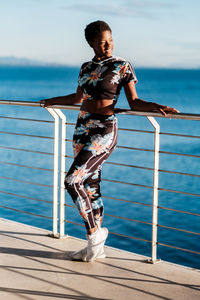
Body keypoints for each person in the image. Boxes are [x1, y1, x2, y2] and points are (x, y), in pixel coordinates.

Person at [40, 20, 178, 262]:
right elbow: (76, 97)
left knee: (72, 180)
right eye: (103, 42)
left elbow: (134, 102)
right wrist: (50, 99)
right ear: (91, 43)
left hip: (104, 130)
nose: (108, 45)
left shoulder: (122, 66)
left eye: (111, 40)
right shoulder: (85, 67)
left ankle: (96, 235)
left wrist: (155, 106)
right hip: (83, 127)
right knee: (91, 188)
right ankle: (96, 248)